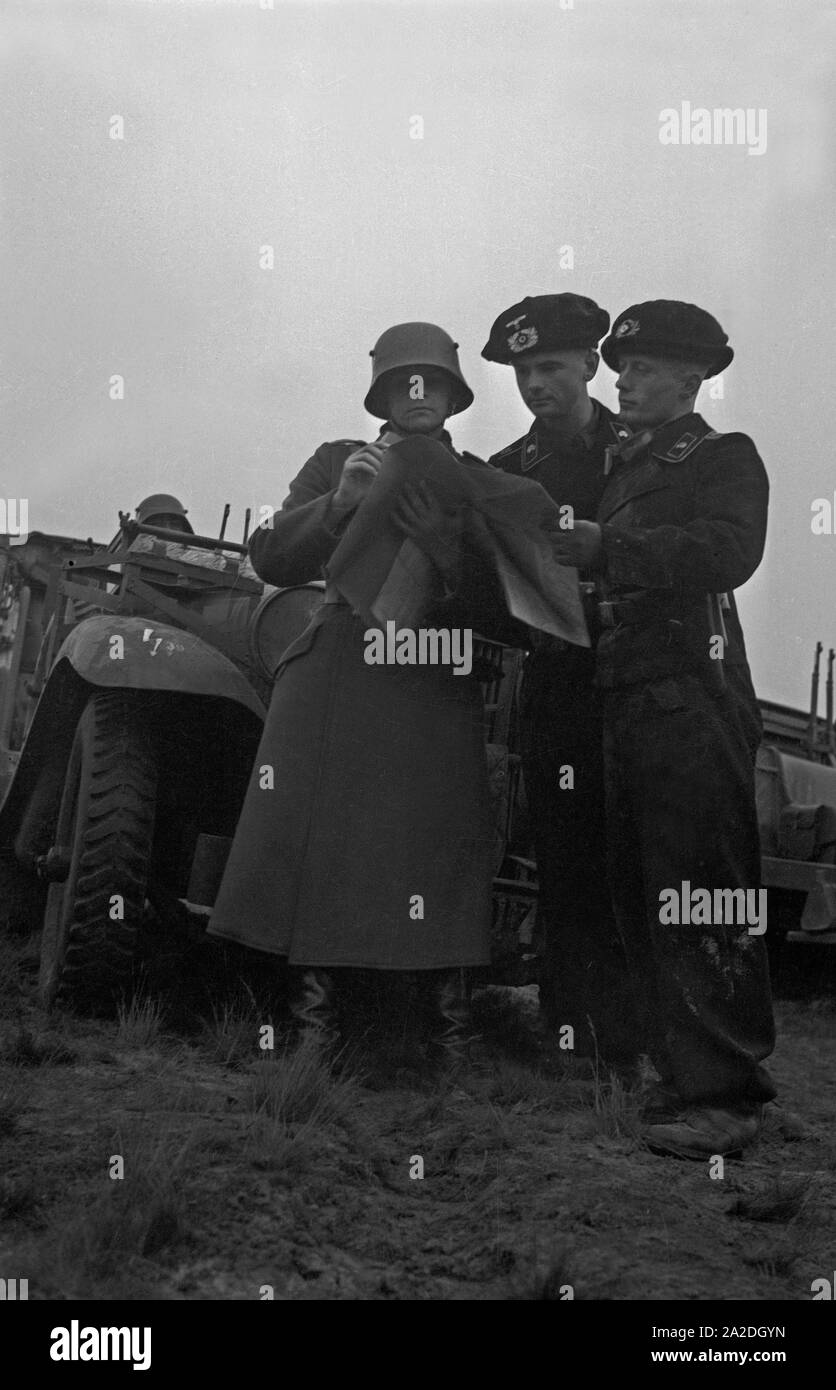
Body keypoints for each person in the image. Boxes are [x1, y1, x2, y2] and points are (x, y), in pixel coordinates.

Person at [206, 323, 499, 1068]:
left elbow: (502, 606)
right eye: (406, 382)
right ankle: (314, 1025)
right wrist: (341, 501)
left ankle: (446, 1035)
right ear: (382, 394)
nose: (420, 394)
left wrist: (447, 548)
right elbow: (271, 553)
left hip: (433, 668)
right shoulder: (338, 460)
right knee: (316, 833)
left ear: (453, 395)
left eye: (433, 382)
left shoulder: (475, 480)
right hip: (339, 659)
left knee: (437, 840)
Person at [550, 299, 775, 1157]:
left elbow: (728, 552)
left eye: (640, 368)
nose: (622, 380)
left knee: (700, 890)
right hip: (628, 694)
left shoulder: (720, 456)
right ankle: (686, 1082)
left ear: (691, 376)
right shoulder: (627, 468)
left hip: (691, 698)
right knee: (641, 893)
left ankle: (726, 1100)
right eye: (621, 366)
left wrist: (611, 550)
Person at [482, 294, 640, 1068]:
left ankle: (657, 1045)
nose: (535, 383)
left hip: (647, 684)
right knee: (570, 862)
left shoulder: (645, 452)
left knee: (649, 861)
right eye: (522, 371)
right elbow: (493, 594)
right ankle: (575, 1039)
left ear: (589, 363)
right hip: (561, 690)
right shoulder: (510, 474)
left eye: (550, 366)